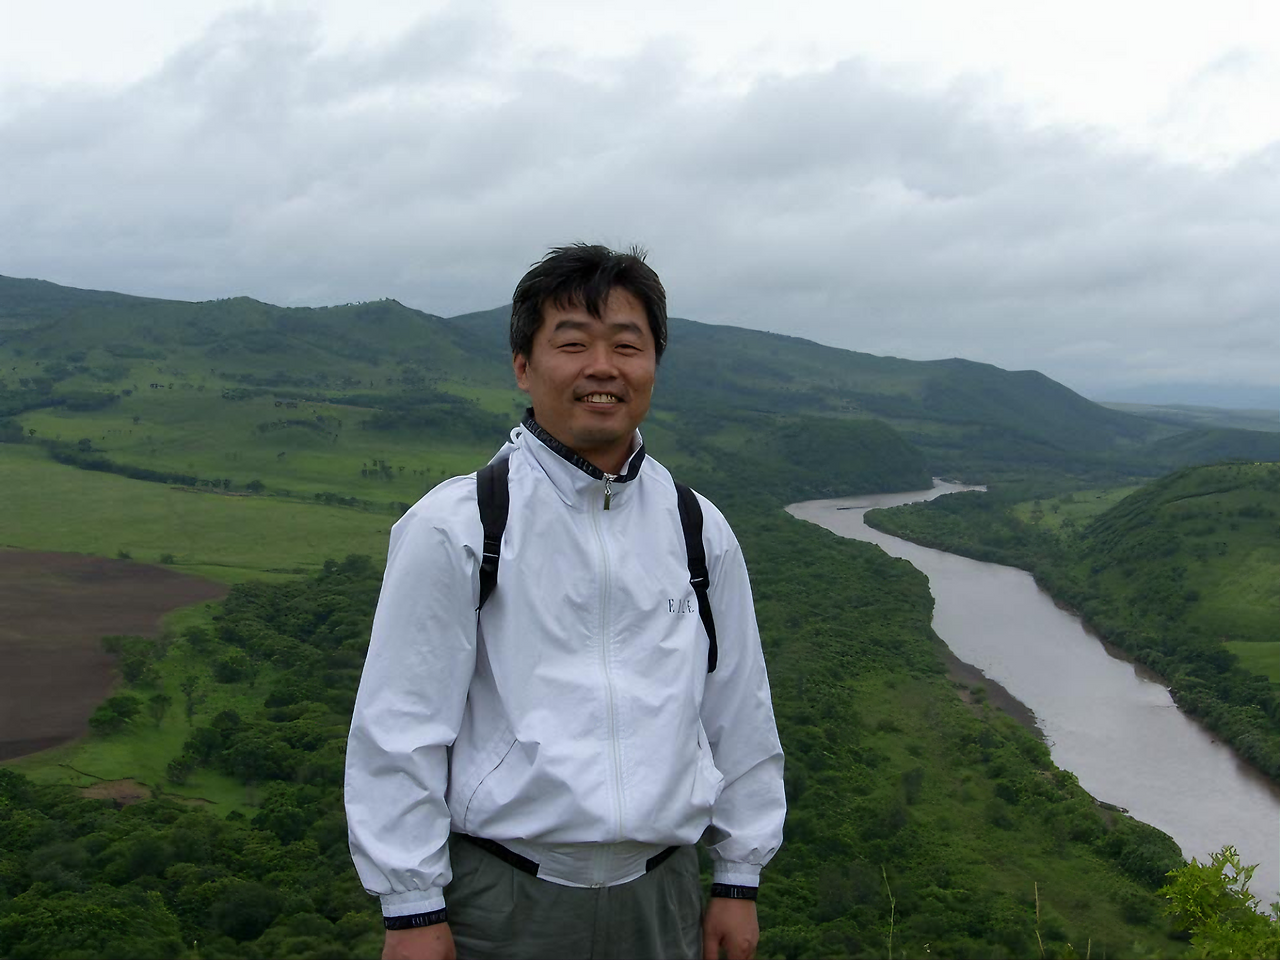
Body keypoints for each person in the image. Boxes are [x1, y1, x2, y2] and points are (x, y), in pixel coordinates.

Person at [345, 244, 785, 960]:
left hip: (664, 898)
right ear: (524, 365)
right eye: (573, 344)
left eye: (627, 345)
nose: (602, 367)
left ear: (654, 364)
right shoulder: (459, 525)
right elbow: (399, 725)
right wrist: (411, 907)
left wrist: (739, 877)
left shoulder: (697, 527)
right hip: (502, 899)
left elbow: (739, 711)